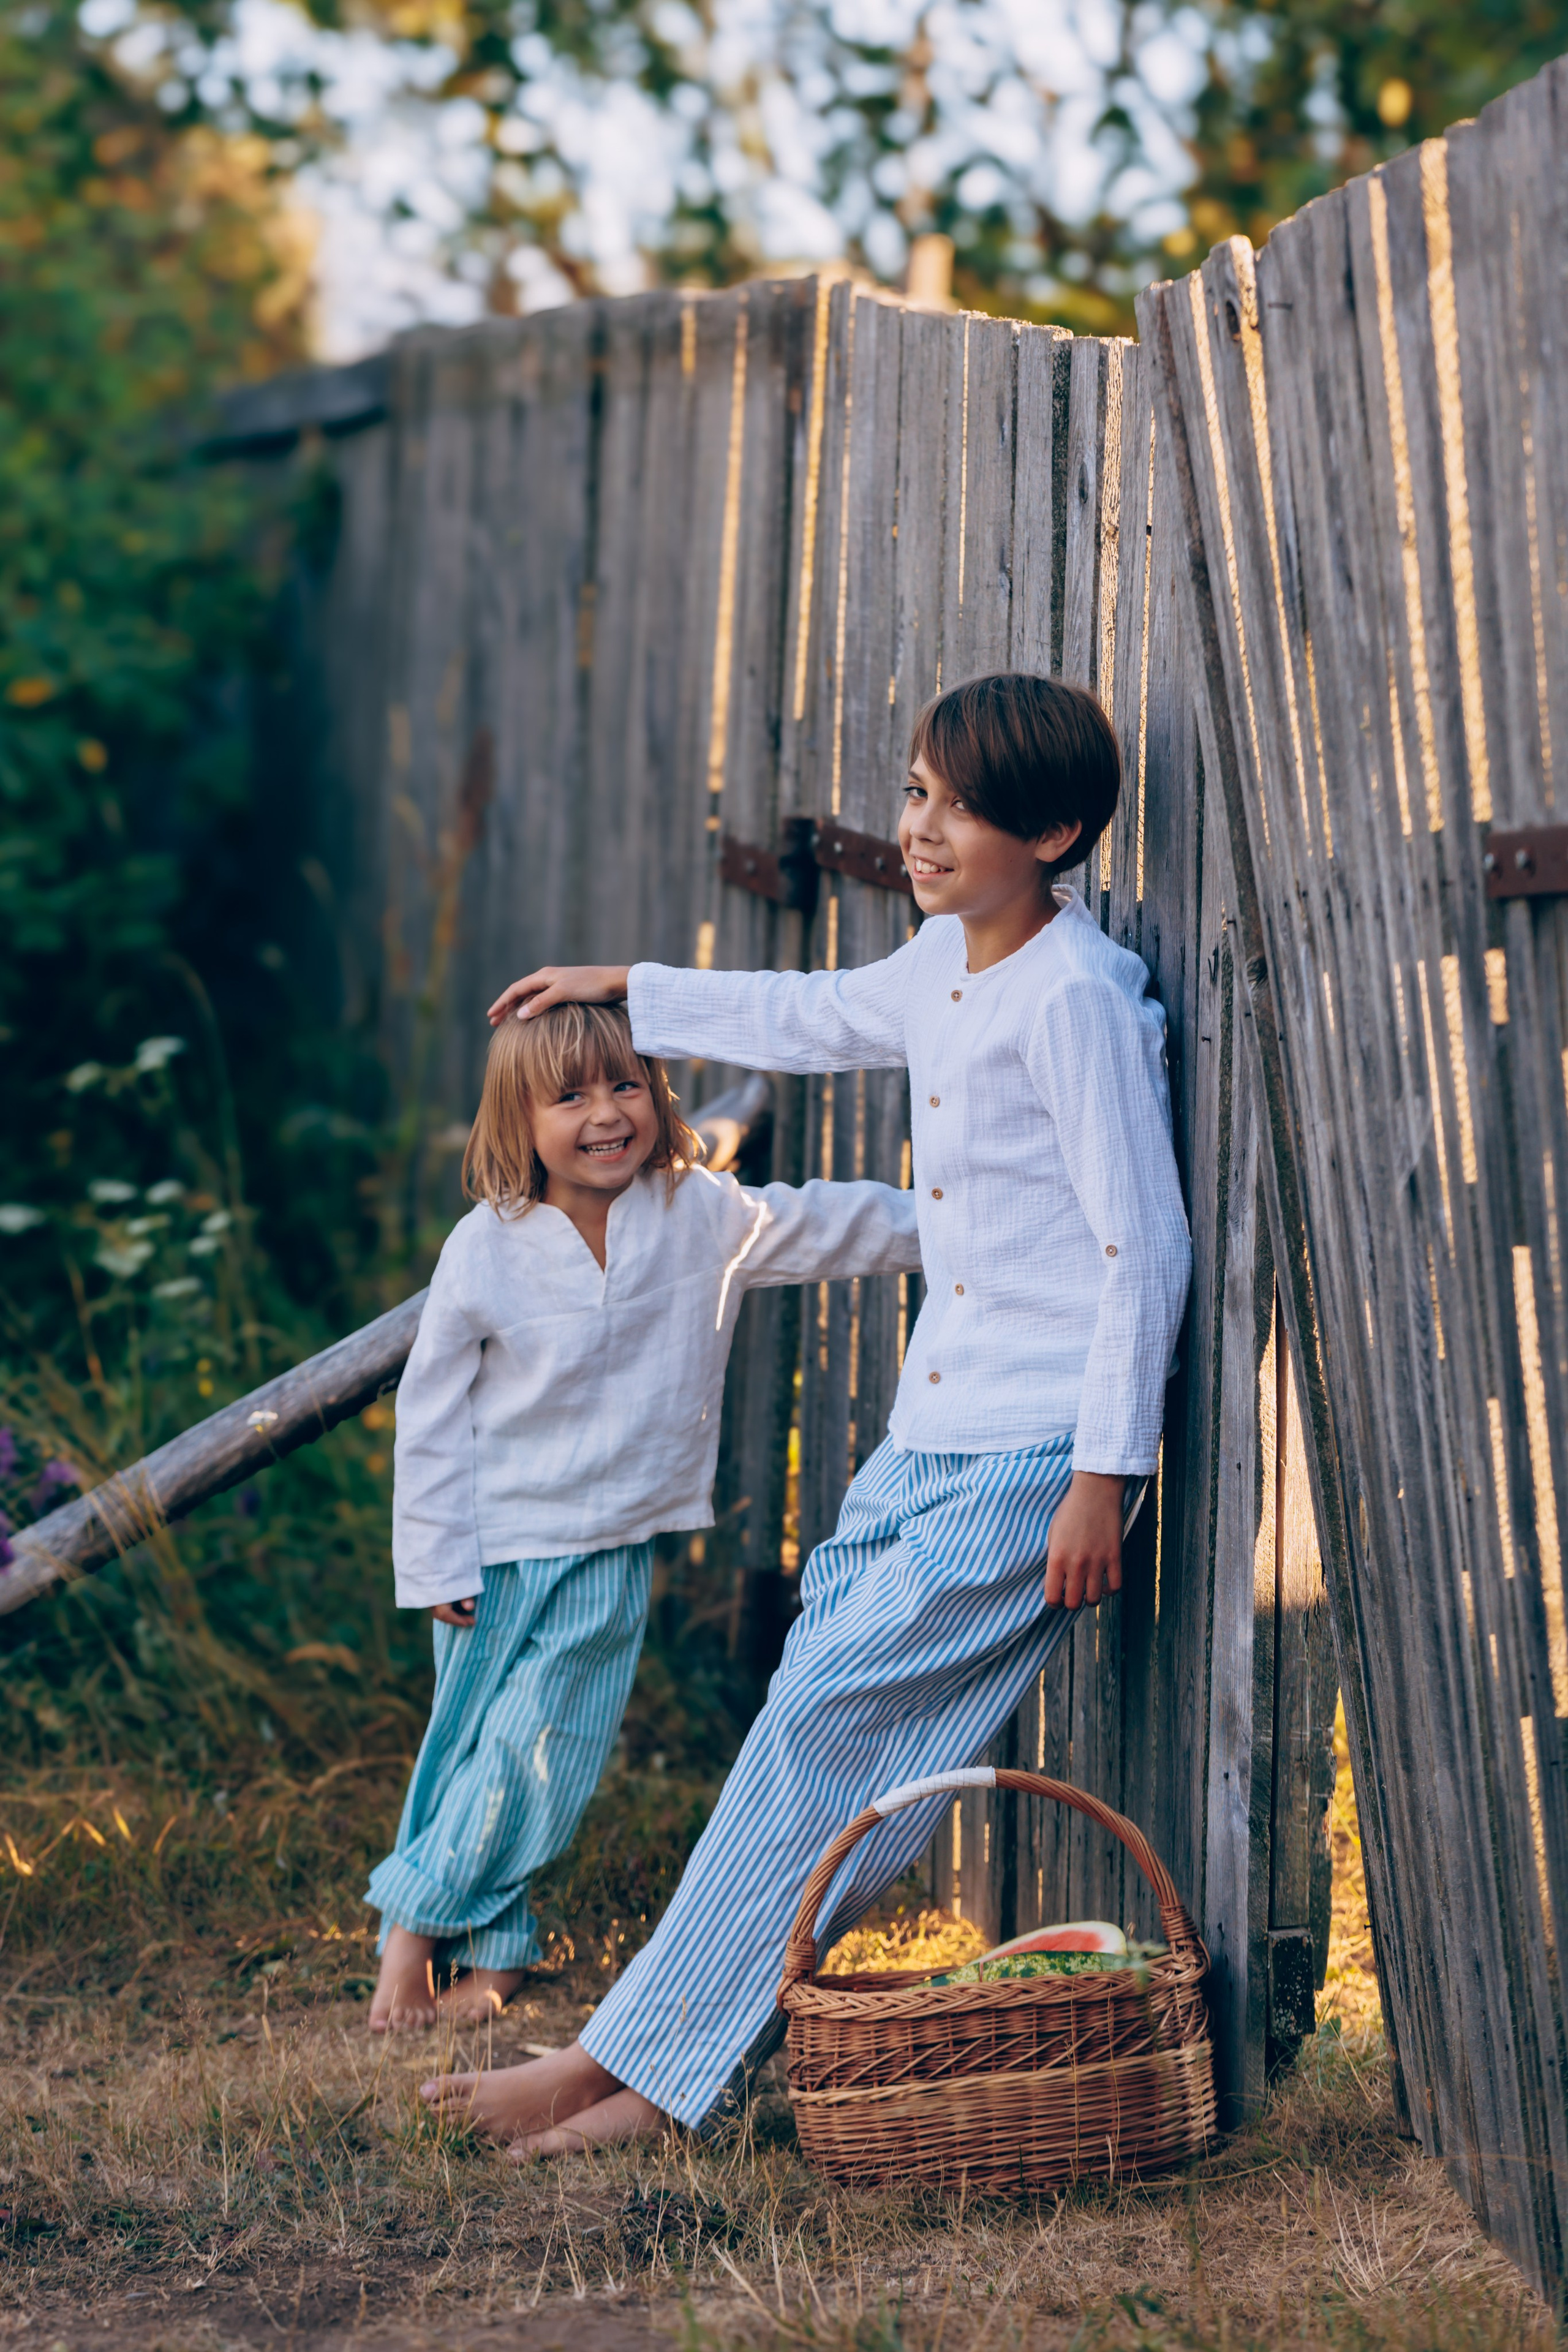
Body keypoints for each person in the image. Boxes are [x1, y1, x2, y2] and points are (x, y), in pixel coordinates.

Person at [421, 670, 1191, 2141]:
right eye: (915, 793)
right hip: (930, 1435)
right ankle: (626, 2060)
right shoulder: (947, 962)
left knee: (823, 1720)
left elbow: (1139, 1248)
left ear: (1057, 830)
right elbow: (816, 1012)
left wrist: (1103, 1472)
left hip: (1030, 1454)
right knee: (804, 1726)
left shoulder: (1077, 999)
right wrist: (627, 992)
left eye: (964, 807)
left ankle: (646, 2078)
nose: (925, 828)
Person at [367, 1000, 922, 2031]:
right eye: (569, 1095)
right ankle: (430, 1934)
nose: (605, 1114)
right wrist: (435, 1555)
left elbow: (826, 1223)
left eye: (625, 1085)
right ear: (518, 1121)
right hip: (491, 1548)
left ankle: (469, 1938)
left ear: (657, 1099)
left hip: (613, 1540)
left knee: (550, 1745)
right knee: (478, 1743)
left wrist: (952, 1215)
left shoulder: (695, 1213)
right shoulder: (486, 1247)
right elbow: (431, 1409)